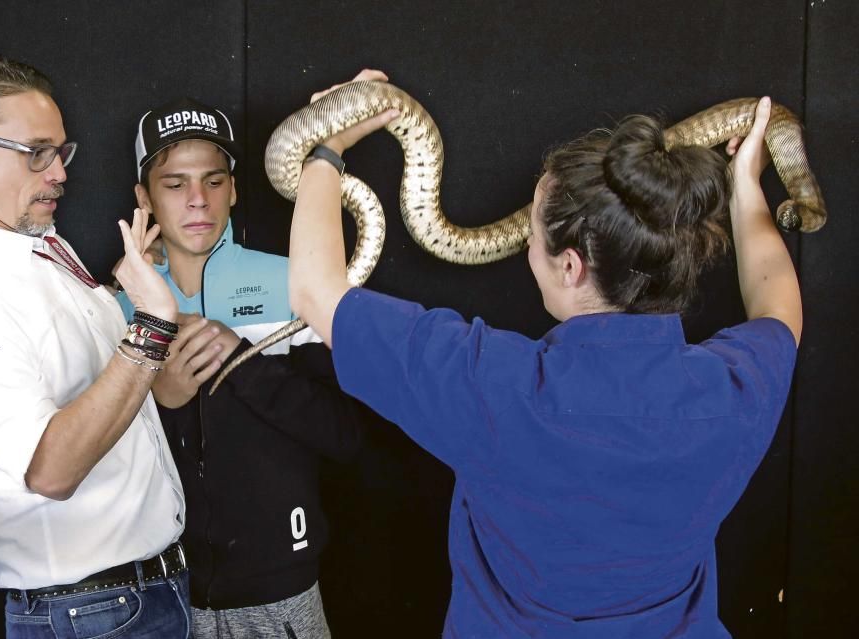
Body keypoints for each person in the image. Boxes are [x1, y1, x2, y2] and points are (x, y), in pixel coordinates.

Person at [288, 70, 801, 638]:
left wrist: (326, 146)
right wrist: (748, 184)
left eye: (532, 234)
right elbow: (779, 305)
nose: (527, 247)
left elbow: (315, 291)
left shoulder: (490, 385)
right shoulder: (735, 393)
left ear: (571, 266)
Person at [0, 50, 192, 638]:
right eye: (36, 153)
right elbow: (50, 468)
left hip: (145, 595)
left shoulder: (39, 247)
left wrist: (128, 309)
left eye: (61, 152)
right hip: (93, 615)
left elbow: (84, 373)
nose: (59, 172)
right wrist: (152, 328)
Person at [114, 95, 365, 638]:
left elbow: (347, 436)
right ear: (145, 197)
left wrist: (241, 360)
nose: (197, 200)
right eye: (175, 184)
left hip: (281, 594)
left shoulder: (297, 285)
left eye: (213, 180)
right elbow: (95, 463)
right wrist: (166, 403)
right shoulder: (113, 305)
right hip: (156, 601)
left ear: (233, 187)